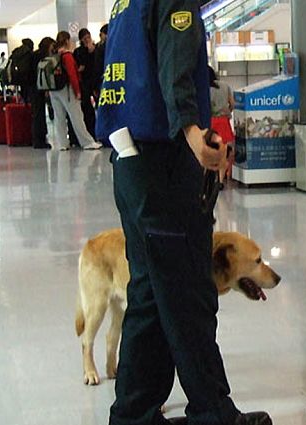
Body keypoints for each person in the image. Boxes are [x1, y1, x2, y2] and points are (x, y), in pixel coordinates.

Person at [95, 1, 271, 424]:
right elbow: (175, 63)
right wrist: (192, 129)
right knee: (188, 295)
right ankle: (214, 414)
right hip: (164, 163)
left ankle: (134, 414)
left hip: (132, 161)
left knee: (152, 294)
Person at [50, 31, 102, 151]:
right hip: (67, 90)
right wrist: (77, 91)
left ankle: (62, 143)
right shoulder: (67, 55)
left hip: (54, 90)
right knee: (77, 116)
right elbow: (72, 75)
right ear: (67, 41)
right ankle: (87, 142)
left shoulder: (54, 55)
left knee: (59, 117)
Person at [208, 66, 235, 179]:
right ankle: (221, 179)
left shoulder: (205, 87)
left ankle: (209, 178)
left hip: (211, 121)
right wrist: (228, 112)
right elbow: (232, 103)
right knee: (225, 151)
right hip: (224, 122)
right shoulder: (225, 85)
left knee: (209, 150)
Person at [31, 37, 55, 149]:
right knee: (39, 114)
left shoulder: (34, 55)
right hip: (39, 88)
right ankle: (39, 140)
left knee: (37, 114)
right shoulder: (42, 57)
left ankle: (37, 138)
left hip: (33, 88)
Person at [73, 28, 97, 138]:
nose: (87, 40)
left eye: (88, 37)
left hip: (94, 80)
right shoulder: (79, 51)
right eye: (85, 38)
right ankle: (90, 132)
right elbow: (80, 67)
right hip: (85, 82)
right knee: (87, 108)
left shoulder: (96, 49)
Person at [93, 24, 108, 97]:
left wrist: (95, 85)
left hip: (102, 80)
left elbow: (97, 67)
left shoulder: (100, 48)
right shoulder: (116, 46)